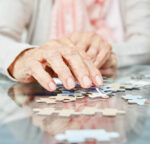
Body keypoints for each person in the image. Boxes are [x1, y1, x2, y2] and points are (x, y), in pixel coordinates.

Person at [0, 0, 150, 91]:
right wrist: (23, 56)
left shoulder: (130, 130)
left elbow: (145, 42)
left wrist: (111, 54)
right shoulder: (30, 134)